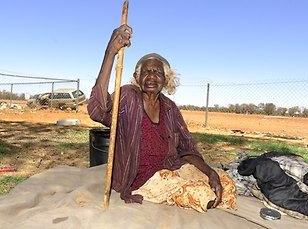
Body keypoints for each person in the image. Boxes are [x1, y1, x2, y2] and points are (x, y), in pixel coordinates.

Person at [88, 25, 236, 212]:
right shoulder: (128, 96)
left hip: (171, 169)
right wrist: (110, 53)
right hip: (143, 179)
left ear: (165, 80)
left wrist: (209, 172)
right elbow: (97, 110)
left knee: (225, 185)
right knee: (202, 196)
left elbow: (187, 148)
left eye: (157, 72)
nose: (151, 76)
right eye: (146, 72)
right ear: (137, 77)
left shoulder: (170, 108)